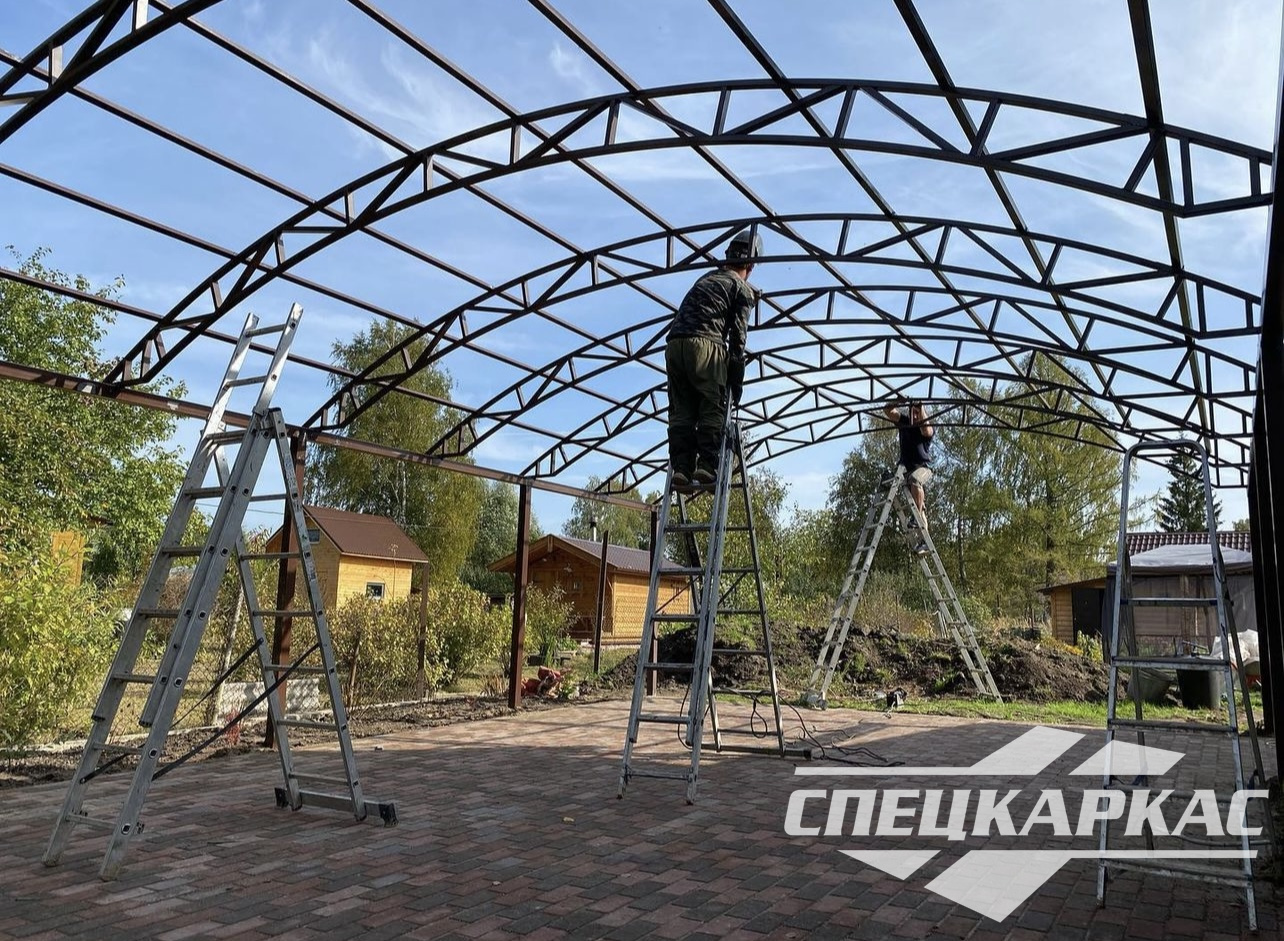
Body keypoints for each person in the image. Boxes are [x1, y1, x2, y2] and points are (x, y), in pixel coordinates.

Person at [665, 228, 759, 489]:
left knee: (681, 411)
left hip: (674, 346)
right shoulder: (740, 288)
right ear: (750, 266)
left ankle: (681, 468)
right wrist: (736, 378)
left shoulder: (706, 278)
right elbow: (738, 338)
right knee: (712, 404)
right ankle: (707, 465)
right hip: (704, 345)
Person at [884, 399, 934, 553]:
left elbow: (927, 430)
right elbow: (888, 411)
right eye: (913, 412)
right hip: (906, 470)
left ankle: (915, 517)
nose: (915, 415)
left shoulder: (925, 427)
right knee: (921, 508)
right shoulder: (904, 421)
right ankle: (925, 542)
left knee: (916, 480)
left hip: (923, 469)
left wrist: (921, 408)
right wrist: (898, 401)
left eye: (917, 413)